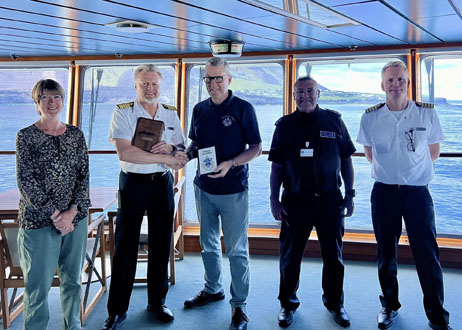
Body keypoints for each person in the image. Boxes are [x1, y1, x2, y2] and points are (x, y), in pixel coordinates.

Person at [357, 60, 452, 330]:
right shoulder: (370, 117)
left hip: (417, 195)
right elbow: (370, 155)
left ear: (408, 83)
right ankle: (389, 306)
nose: (395, 85)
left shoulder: (427, 115)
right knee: (386, 254)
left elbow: (433, 153)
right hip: (384, 194)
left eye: (400, 80)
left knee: (427, 254)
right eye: (390, 80)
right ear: (382, 85)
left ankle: (437, 316)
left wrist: (411, 174)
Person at [102, 64, 188, 329]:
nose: (150, 89)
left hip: (161, 183)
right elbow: (125, 153)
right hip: (133, 183)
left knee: (162, 244)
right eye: (144, 84)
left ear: (160, 86)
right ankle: (117, 310)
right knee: (125, 245)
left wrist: (172, 147)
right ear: (135, 86)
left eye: (154, 84)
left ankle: (157, 302)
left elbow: (182, 147)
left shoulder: (170, 114)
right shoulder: (123, 113)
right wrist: (165, 157)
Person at [268, 76, 356, 329]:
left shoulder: (334, 120)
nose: (305, 96)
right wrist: (274, 200)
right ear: (293, 96)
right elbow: (276, 166)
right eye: (299, 92)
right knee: (290, 257)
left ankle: (335, 303)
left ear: (318, 93)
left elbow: (347, 160)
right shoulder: (284, 126)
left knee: (333, 257)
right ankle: (287, 304)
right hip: (295, 202)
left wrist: (350, 194)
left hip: (330, 201)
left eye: (309, 91)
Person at [184, 57, 262, 330]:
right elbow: (196, 142)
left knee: (237, 250)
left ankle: (238, 306)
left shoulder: (243, 108)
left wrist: (232, 163)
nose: (213, 84)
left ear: (229, 79)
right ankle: (212, 289)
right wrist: (186, 154)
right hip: (203, 188)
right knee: (208, 244)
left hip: (233, 190)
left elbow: (256, 148)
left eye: (218, 78)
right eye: (208, 78)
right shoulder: (199, 109)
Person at [15, 79, 90, 330]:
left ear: (63, 100)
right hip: (37, 222)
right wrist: (56, 214)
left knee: (73, 282)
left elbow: (84, 177)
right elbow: (26, 182)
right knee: (37, 285)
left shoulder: (76, 135)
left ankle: (74, 326)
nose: (52, 102)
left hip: (75, 221)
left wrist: (72, 213)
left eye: (56, 97)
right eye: (45, 97)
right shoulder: (25, 136)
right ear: (37, 103)